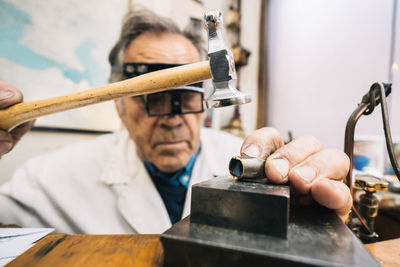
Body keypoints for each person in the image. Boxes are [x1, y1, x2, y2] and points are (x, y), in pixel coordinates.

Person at [0, 10, 351, 234]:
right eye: (151, 97)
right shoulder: (49, 178)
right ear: (118, 105)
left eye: (185, 97)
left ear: (206, 104)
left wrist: (316, 221)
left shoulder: (251, 164)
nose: (171, 119)